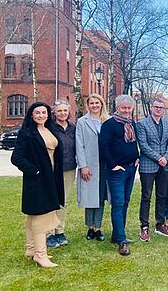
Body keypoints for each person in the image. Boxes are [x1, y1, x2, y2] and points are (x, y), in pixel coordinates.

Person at [11, 102, 64, 268]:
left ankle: (31, 249)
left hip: (52, 178)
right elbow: (16, 157)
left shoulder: (49, 130)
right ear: (31, 115)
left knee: (33, 216)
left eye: (44, 112)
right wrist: (34, 171)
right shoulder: (27, 133)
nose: (41, 115)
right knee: (41, 215)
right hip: (37, 180)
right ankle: (40, 256)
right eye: (37, 113)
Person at [99, 94, 140, 256]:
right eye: (123, 108)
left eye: (129, 108)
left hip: (131, 168)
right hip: (117, 171)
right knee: (118, 203)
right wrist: (113, 165)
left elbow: (134, 144)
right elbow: (104, 146)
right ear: (117, 107)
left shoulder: (131, 124)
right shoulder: (109, 124)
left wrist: (137, 157)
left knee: (126, 202)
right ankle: (122, 241)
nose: (126, 111)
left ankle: (117, 235)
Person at [136, 98, 168, 241]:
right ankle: (144, 226)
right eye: (156, 107)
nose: (159, 109)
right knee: (146, 196)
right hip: (148, 165)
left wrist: (166, 157)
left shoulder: (167, 124)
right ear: (151, 108)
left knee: (162, 196)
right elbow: (143, 145)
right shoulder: (142, 124)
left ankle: (160, 224)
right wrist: (159, 157)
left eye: (161, 108)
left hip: (165, 165)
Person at [75, 94, 109, 243]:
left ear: (102, 104)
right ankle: (90, 227)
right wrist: (83, 166)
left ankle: (98, 228)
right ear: (88, 106)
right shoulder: (82, 122)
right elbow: (79, 145)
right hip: (89, 165)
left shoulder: (108, 121)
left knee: (101, 197)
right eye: (92, 103)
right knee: (90, 198)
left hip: (105, 165)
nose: (95, 105)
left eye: (97, 103)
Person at [46, 99, 77, 248]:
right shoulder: (49, 127)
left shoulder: (73, 128)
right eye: (59, 111)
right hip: (53, 170)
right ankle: (49, 233)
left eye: (65, 110)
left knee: (62, 202)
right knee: (51, 201)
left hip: (69, 168)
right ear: (54, 113)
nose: (62, 113)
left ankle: (60, 231)